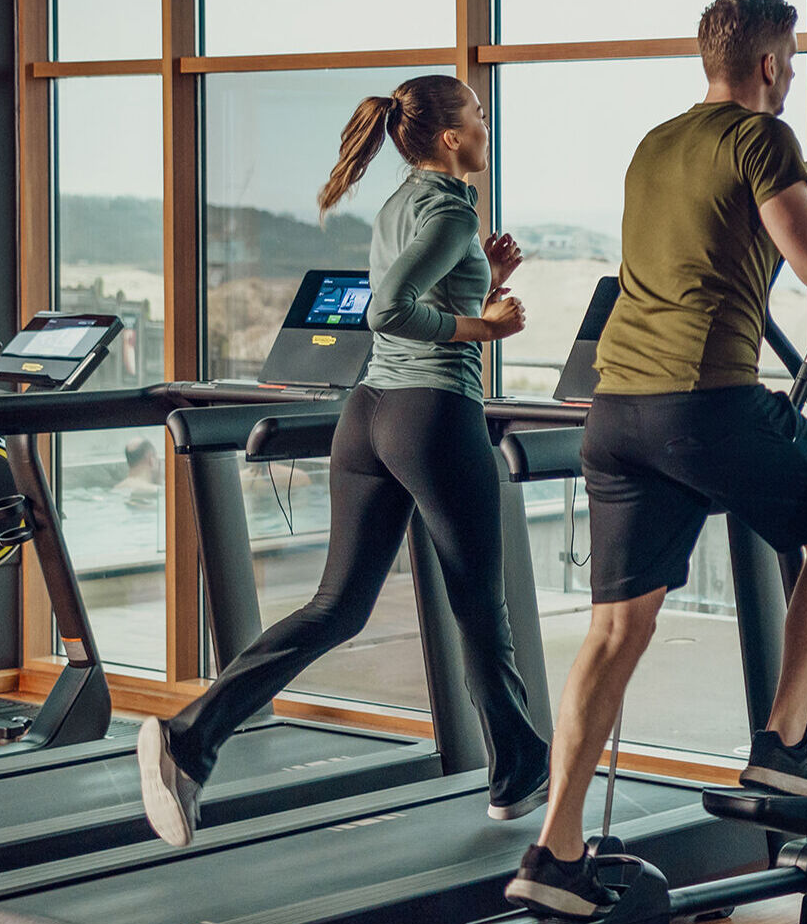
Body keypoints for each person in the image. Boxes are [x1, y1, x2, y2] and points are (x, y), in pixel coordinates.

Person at [503, 0, 807, 917]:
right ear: (768, 65)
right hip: (705, 404)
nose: (789, 73)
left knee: (616, 631)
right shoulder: (762, 139)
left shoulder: (658, 145)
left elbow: (704, 247)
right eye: (788, 58)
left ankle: (552, 852)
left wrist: (787, 210)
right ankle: (785, 745)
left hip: (617, 412)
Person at [136, 74, 551, 846]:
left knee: (339, 607)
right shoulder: (451, 212)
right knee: (478, 609)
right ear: (453, 137)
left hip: (368, 418)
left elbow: (402, 301)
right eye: (480, 115)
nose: (488, 125)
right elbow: (386, 309)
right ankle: (518, 771)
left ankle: (191, 739)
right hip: (431, 418)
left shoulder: (403, 203)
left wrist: (485, 283)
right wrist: (487, 329)